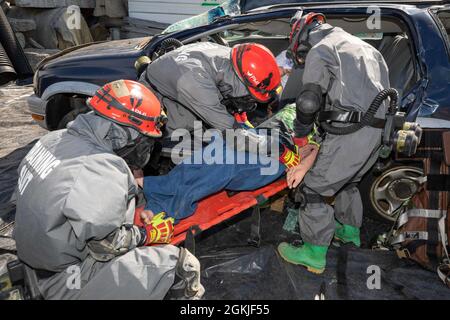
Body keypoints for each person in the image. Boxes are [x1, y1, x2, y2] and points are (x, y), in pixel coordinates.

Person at [13, 80, 204, 300]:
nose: (147, 147)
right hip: (66, 277)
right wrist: (146, 234)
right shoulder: (101, 167)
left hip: (35, 258)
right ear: (124, 133)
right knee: (180, 266)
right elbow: (104, 246)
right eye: (145, 139)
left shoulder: (52, 139)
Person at [277, 11, 390, 274]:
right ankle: (349, 233)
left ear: (302, 35)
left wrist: (302, 136)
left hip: (350, 129)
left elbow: (308, 100)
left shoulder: (322, 48)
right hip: (377, 132)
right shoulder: (368, 48)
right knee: (347, 182)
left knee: (314, 189)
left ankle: (313, 253)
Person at [139, 41, 282, 134]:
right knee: (184, 137)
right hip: (157, 98)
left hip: (181, 84)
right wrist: (269, 147)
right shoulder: (196, 81)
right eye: (250, 95)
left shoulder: (230, 57)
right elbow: (230, 129)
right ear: (240, 79)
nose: (251, 101)